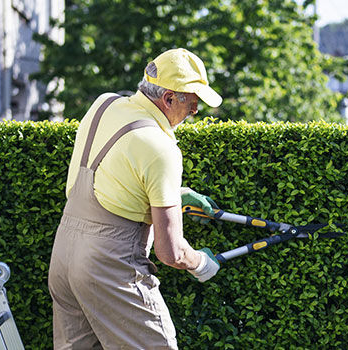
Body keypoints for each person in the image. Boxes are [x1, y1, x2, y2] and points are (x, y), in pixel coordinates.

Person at [48, 48, 223, 349]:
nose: (194, 112)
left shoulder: (105, 104)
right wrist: (201, 263)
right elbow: (171, 253)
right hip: (109, 265)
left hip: (63, 257)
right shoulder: (161, 148)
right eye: (192, 104)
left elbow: (114, 174)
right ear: (169, 98)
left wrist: (173, 194)